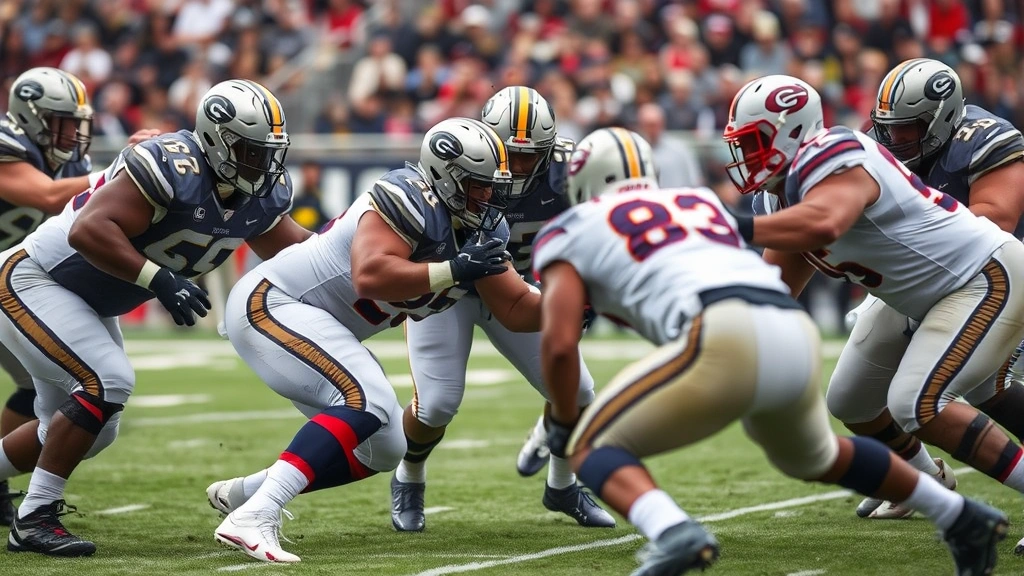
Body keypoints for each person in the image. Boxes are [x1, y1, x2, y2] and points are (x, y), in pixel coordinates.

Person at [537, 126, 1008, 576]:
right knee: (817, 458)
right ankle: (961, 516)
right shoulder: (695, 202)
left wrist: (560, 422)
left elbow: (559, 345)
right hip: (789, 327)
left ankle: (673, 531)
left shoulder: (571, 228)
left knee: (592, 446)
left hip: (721, 328)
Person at [205, 117, 549, 563]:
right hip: (273, 304)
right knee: (368, 399)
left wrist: (572, 297)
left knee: (385, 448)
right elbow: (370, 275)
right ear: (446, 177)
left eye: (491, 186)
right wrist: (454, 270)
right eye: (476, 185)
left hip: (316, 324)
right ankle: (256, 516)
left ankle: (247, 494)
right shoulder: (404, 196)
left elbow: (517, 309)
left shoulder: (483, 229)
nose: (487, 197)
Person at [0, 79, 311, 556]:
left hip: (84, 298)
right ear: (218, 141)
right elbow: (89, 230)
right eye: (250, 151)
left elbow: (302, 256)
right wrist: (160, 280)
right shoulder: (173, 165)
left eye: (269, 152)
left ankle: (32, 504)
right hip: (36, 276)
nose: (263, 164)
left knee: (90, 426)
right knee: (107, 382)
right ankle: (35, 515)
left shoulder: (259, 196)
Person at [724, 74, 1024, 556]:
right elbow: (774, 288)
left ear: (791, 131)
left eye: (755, 142)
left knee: (917, 403)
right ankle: (927, 487)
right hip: (923, 294)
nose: (746, 156)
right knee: (850, 400)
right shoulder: (778, 195)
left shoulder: (835, 152)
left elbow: (825, 220)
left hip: (981, 274)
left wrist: (725, 223)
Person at [392, 86, 612, 533]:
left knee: (578, 391)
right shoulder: (463, 158)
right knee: (435, 405)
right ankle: (409, 477)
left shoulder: (569, 173)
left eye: (529, 157)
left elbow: (600, 229)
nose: (516, 167)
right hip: (452, 288)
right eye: (508, 155)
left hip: (522, 289)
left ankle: (563, 485)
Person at [847, 59, 1024, 522]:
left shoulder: (983, 138)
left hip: (991, 274)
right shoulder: (875, 147)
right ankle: (919, 479)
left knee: (986, 387)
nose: (893, 140)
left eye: (907, 130)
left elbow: (997, 218)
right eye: (888, 129)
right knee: (851, 399)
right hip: (925, 280)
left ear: (942, 117)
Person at [0, 66, 156, 525]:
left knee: (36, 389)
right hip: (10, 279)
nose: (72, 132)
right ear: (28, 117)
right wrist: (128, 172)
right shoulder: (9, 144)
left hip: (14, 283)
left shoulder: (70, 163)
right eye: (61, 121)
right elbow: (47, 196)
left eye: (76, 122)